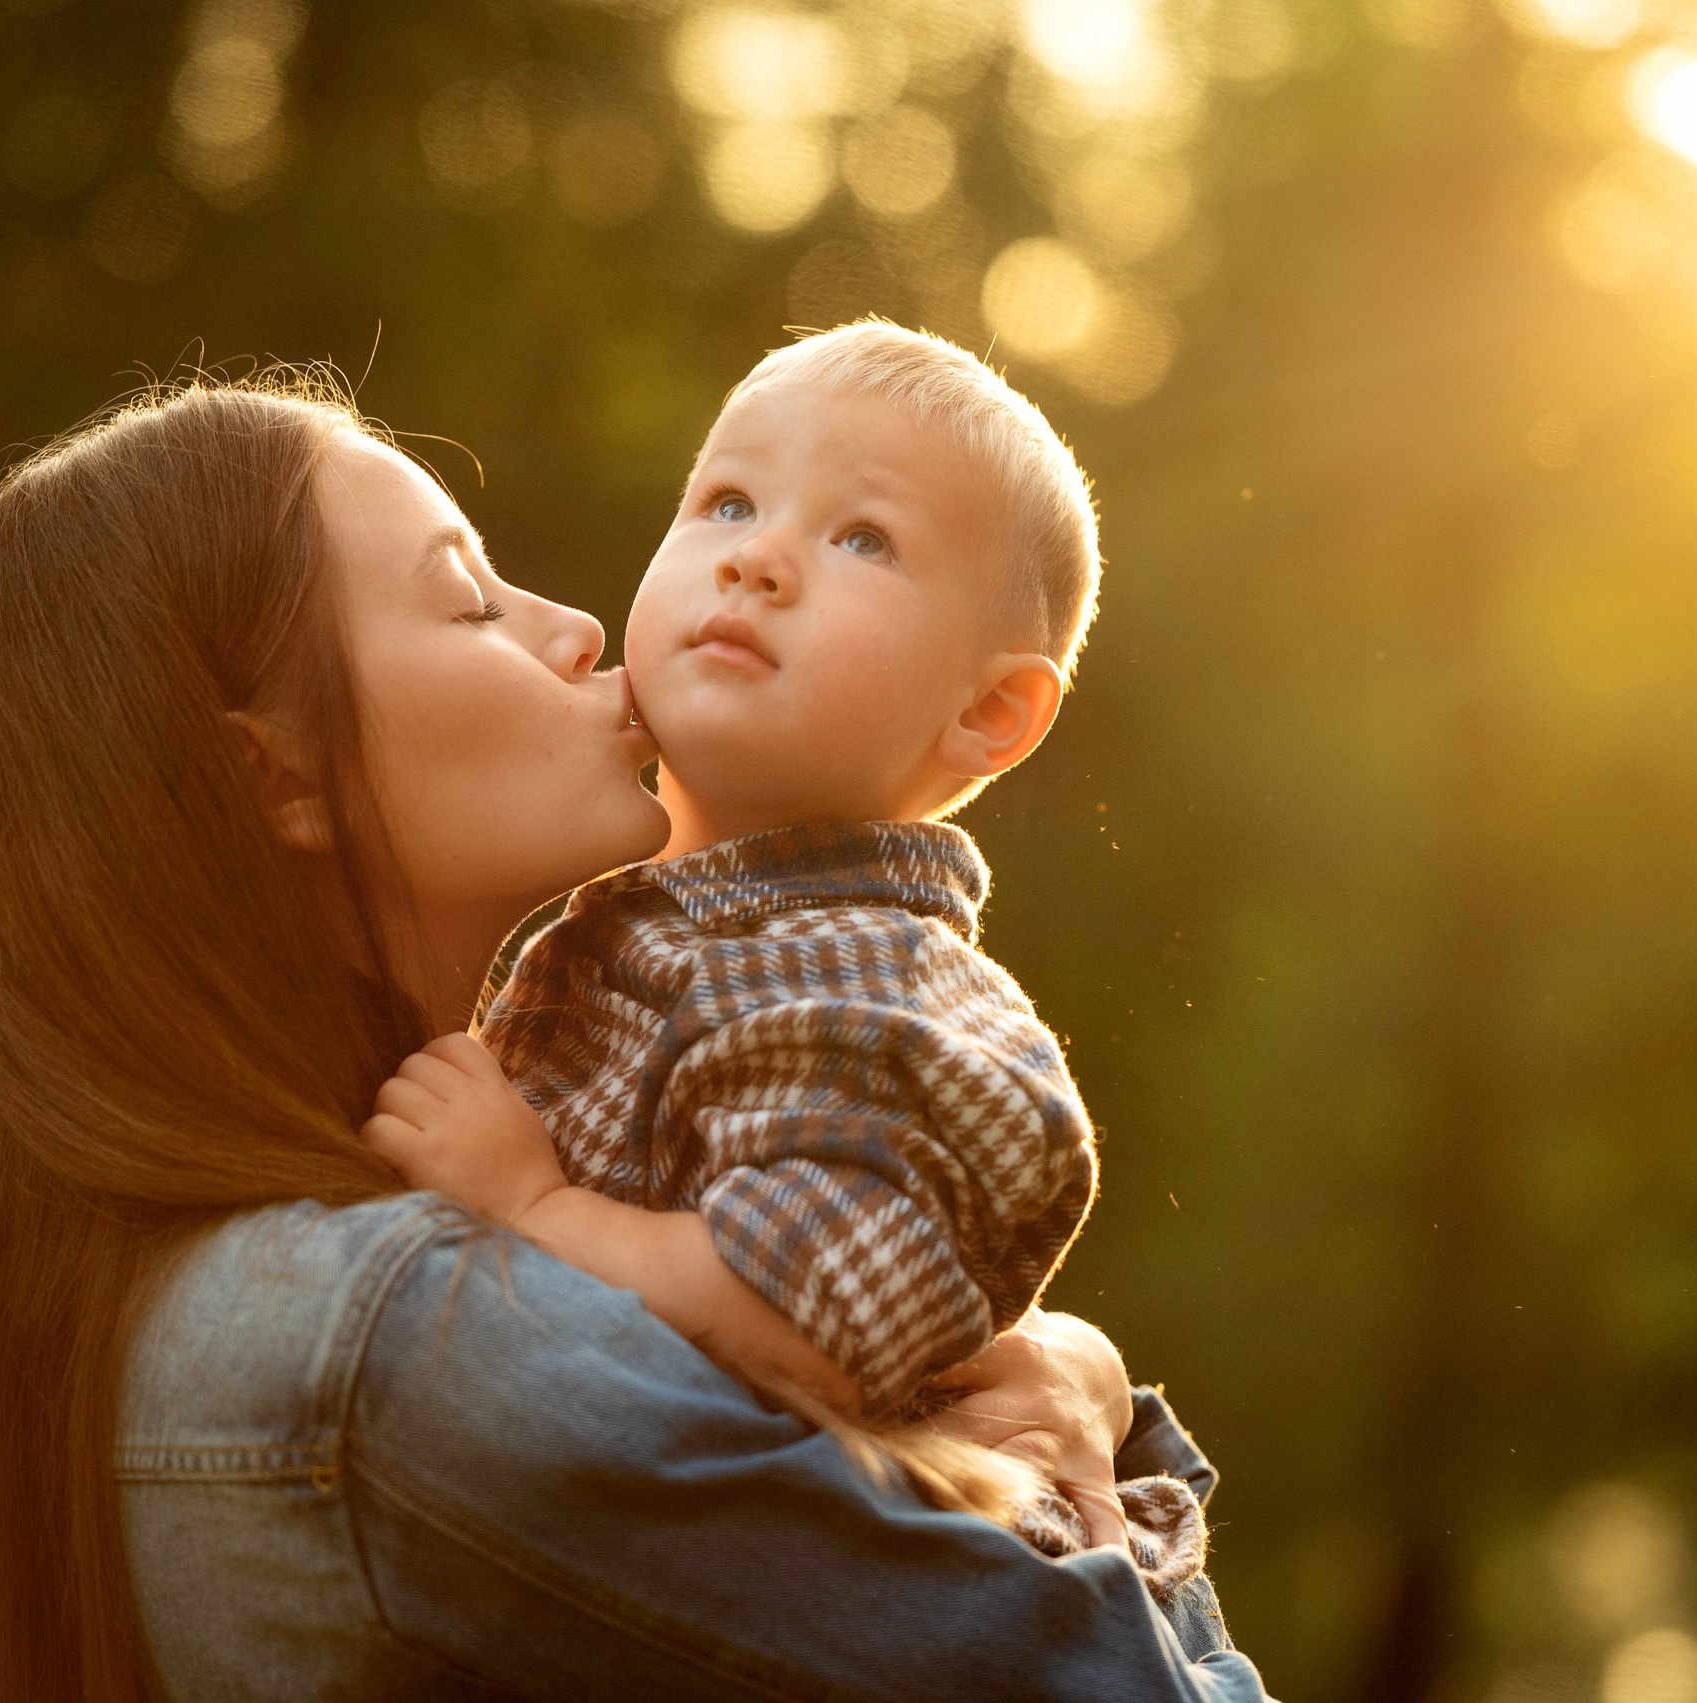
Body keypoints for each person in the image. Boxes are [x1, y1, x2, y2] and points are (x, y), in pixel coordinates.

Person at [0, 370, 1270, 1701]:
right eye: (471, 603)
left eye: (859, 536)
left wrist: (1067, 1370)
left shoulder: (268, 1254)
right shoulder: (400, 1349)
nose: (578, 629)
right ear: (273, 772)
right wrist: (1067, 1441)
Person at [362, 321, 1202, 1590]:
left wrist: (534, 1206)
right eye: (727, 500)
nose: (755, 558)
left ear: (987, 710)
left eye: (862, 537)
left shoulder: (870, 991)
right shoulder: (631, 927)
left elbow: (802, 1324)